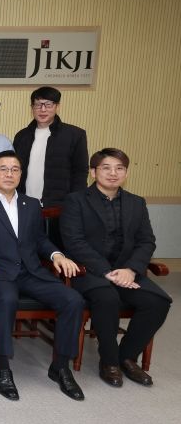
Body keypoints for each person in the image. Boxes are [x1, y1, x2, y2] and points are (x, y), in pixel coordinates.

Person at [0, 150, 85, 402]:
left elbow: (40, 239)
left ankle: (60, 366)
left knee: (73, 299)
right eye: (3, 169)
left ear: (21, 174)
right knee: (6, 300)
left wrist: (57, 255)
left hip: (31, 271)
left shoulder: (31, 204)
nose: (9, 174)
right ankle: (1, 367)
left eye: (15, 169)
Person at [60, 148, 171, 387]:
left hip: (126, 271)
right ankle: (109, 361)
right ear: (93, 172)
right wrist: (106, 272)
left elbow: (146, 241)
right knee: (107, 298)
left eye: (119, 168)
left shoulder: (136, 203)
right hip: (89, 271)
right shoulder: (75, 200)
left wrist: (131, 269)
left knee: (158, 302)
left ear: (126, 173)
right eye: (106, 168)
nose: (113, 173)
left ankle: (127, 357)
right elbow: (74, 242)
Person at [13, 86, 88, 207]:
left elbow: (80, 172)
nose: (43, 109)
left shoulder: (75, 135)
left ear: (57, 106)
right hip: (24, 203)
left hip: (59, 206)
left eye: (48, 105)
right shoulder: (22, 136)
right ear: (32, 108)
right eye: (38, 105)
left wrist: (75, 203)